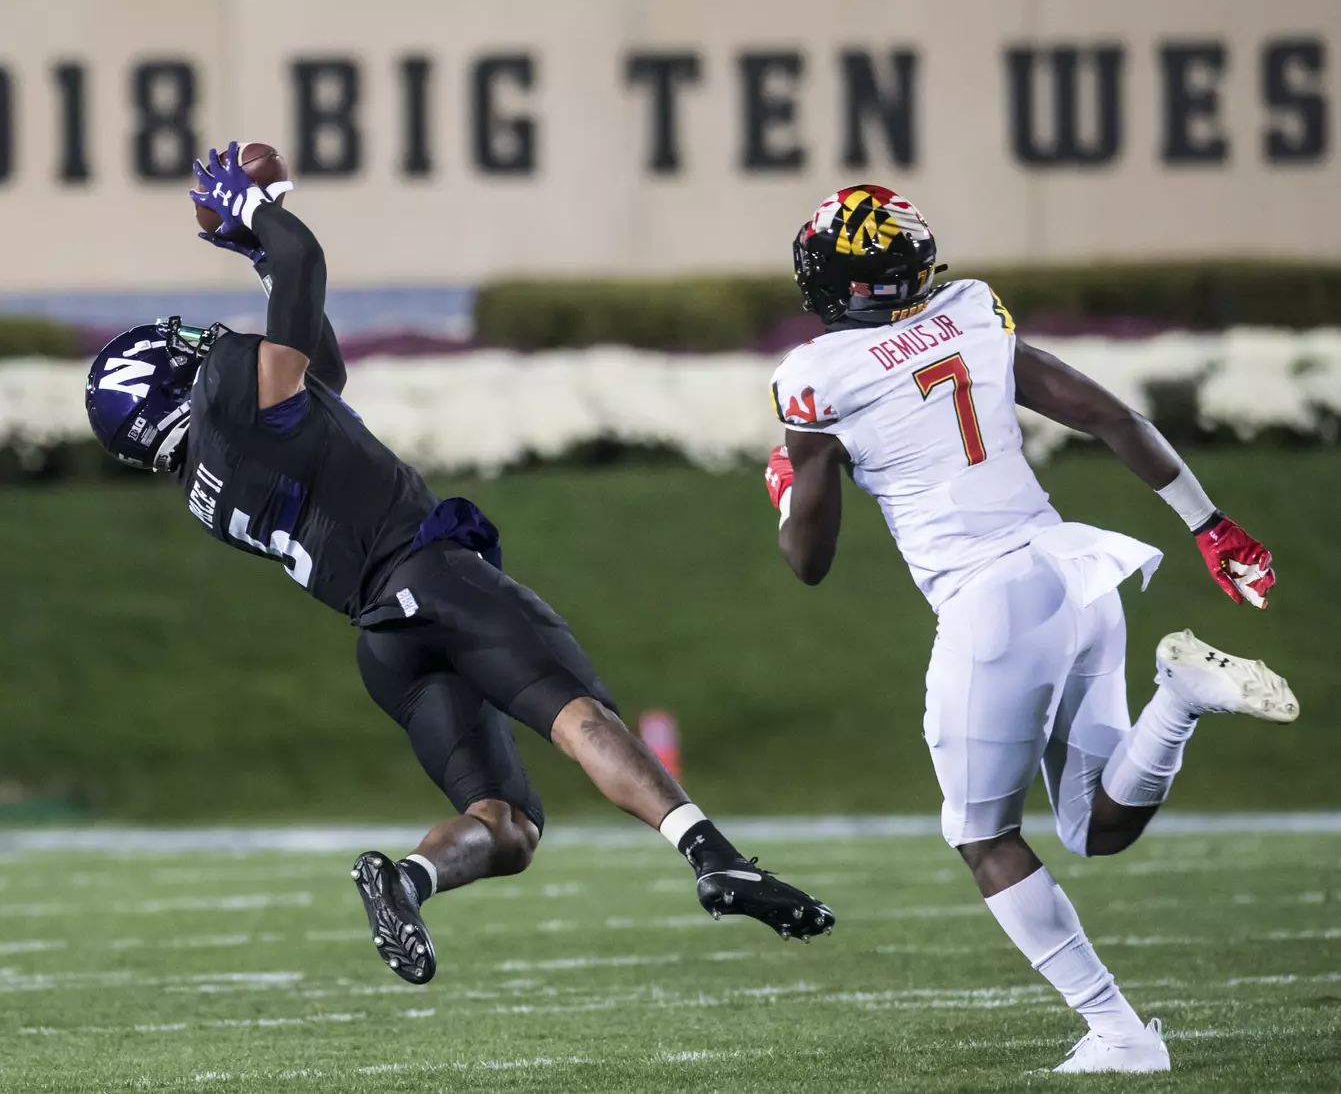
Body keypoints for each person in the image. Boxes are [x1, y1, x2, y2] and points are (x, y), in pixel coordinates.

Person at [83, 142, 835, 986]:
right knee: (580, 715)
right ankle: (714, 859)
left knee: (508, 825)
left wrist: (262, 255)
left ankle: (407, 878)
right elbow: (307, 264)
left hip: (384, 642)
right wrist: (261, 218)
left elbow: (317, 369)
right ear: (164, 385)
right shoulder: (227, 391)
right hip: (431, 579)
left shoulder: (206, 484)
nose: (193, 343)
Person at [764, 185, 1298, 1073]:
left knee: (981, 834)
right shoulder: (971, 311)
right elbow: (1106, 416)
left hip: (991, 601)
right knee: (1094, 828)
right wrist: (1209, 526)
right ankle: (1181, 698)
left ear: (839, 284)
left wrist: (789, 486)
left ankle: (1122, 1037)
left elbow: (807, 560)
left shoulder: (817, 376)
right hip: (1074, 571)